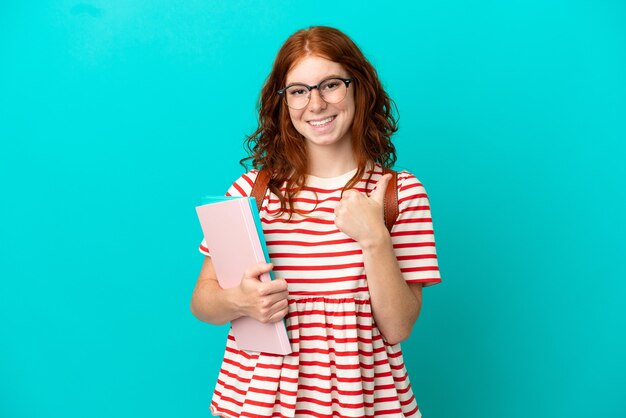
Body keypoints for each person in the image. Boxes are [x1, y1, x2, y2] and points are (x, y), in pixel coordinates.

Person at [191, 26, 441, 418]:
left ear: (359, 87)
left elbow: (398, 328)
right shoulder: (251, 191)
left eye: (330, 85)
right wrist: (237, 299)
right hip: (256, 401)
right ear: (283, 102)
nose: (316, 104)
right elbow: (202, 302)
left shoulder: (399, 193)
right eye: (299, 91)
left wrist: (374, 237)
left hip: (363, 402)